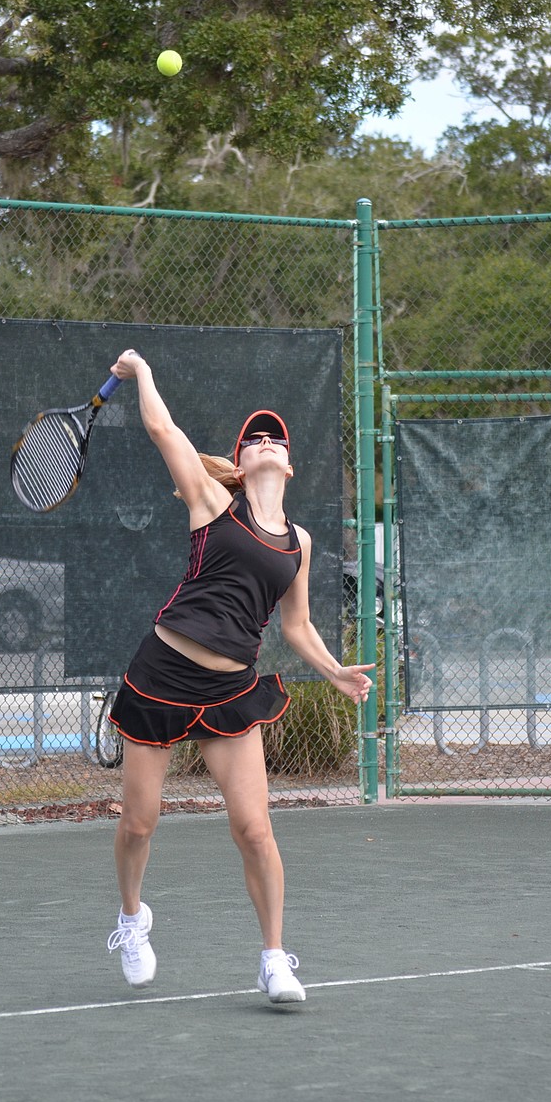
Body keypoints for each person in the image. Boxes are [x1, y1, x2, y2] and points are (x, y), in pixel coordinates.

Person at [104, 349, 374, 1005]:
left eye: (273, 437)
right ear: (242, 459)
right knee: (140, 822)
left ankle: (274, 958)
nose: (263, 443)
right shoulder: (209, 503)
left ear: (289, 462)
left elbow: (297, 624)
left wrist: (336, 671)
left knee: (255, 830)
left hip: (229, 692)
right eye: (253, 438)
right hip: (161, 673)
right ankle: (132, 919)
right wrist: (144, 372)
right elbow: (165, 432)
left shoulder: (300, 543)